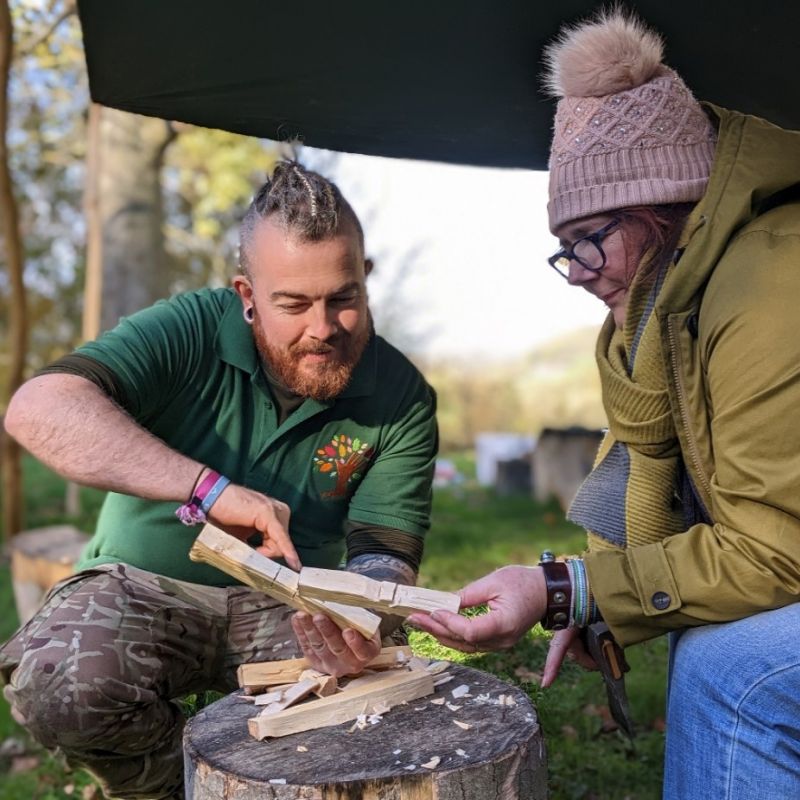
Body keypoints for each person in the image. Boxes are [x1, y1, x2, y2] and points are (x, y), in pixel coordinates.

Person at [408, 10, 800, 798]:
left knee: (733, 674)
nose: (579, 271)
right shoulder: (666, 314)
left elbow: (775, 552)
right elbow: (651, 473)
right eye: (566, 247)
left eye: (591, 238)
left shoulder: (767, 289)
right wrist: (593, 595)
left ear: (663, 208)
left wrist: (571, 589)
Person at [2, 161, 438, 800]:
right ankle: (163, 787)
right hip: (141, 586)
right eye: (292, 305)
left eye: (343, 299)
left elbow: (384, 556)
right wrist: (207, 489)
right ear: (246, 295)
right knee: (61, 684)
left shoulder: (401, 396)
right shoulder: (190, 329)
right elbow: (37, 409)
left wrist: (362, 617)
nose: (323, 328)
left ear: (365, 281)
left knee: (375, 678)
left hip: (291, 605)